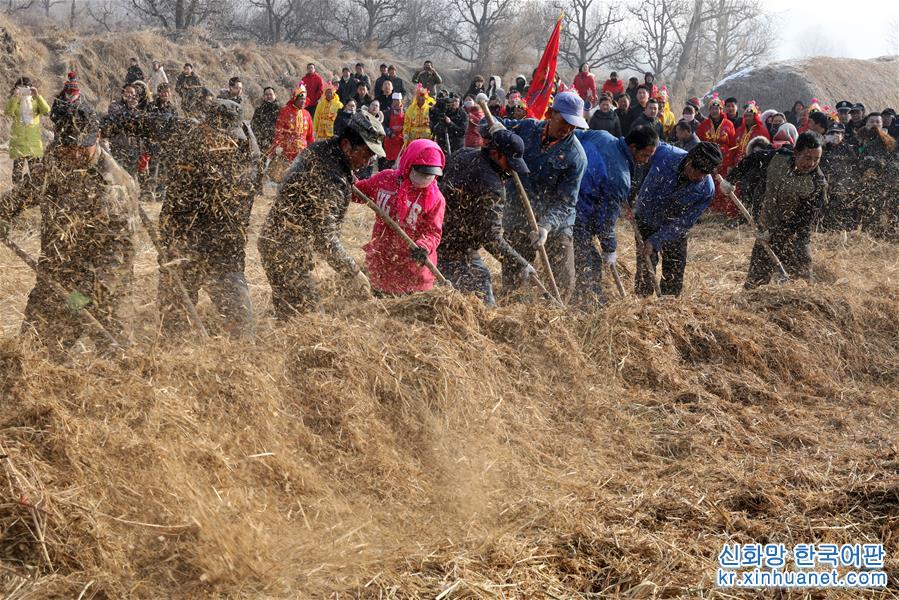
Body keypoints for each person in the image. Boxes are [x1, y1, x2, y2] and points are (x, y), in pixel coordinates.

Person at [0, 103, 138, 359]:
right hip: (55, 277)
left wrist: (85, 292)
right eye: (68, 145)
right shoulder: (57, 160)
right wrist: (3, 211)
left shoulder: (115, 183)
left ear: (97, 137)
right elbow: (26, 192)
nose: (74, 153)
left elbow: (120, 252)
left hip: (104, 291)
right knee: (31, 357)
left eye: (81, 146)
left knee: (118, 369)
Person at [258, 111, 385, 317]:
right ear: (346, 145)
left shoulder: (325, 149)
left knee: (290, 311)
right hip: (285, 250)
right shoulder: (329, 178)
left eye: (372, 157)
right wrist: (352, 272)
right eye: (365, 154)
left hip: (280, 240)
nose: (368, 162)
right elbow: (325, 240)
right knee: (312, 318)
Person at [156, 99, 261, 338]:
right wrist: (169, 248)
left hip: (225, 248)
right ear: (206, 130)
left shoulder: (246, 153)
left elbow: (239, 212)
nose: (227, 143)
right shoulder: (188, 154)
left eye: (230, 138)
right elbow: (172, 208)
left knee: (241, 325)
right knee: (172, 321)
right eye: (220, 137)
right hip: (185, 244)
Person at [494, 91, 588, 301]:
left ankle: (554, 317)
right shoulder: (527, 129)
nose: (568, 128)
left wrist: (545, 226)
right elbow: (495, 123)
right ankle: (512, 314)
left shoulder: (576, 156)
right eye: (564, 121)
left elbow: (566, 203)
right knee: (514, 276)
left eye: (574, 125)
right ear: (551, 113)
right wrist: (492, 126)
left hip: (555, 225)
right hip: (518, 215)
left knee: (563, 280)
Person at [438, 130, 535, 305]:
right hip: (458, 249)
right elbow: (491, 238)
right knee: (482, 295)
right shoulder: (492, 186)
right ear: (495, 153)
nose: (511, 168)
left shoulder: (463, 154)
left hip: (436, 234)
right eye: (509, 162)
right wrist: (521, 264)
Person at [572, 126, 660, 305]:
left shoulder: (602, 135)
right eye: (645, 155)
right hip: (576, 212)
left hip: (562, 194)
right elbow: (605, 222)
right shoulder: (620, 177)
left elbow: (573, 137)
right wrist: (609, 248)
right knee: (590, 262)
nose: (646, 160)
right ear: (633, 147)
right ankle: (590, 306)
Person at [354, 139, 446, 295]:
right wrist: (346, 181)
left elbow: (433, 233)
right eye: (421, 172)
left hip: (413, 269)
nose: (425, 178)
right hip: (383, 259)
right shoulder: (385, 179)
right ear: (408, 164)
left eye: (430, 175)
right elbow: (359, 193)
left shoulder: (436, 199)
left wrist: (423, 247)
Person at [633, 142, 722, 297]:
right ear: (689, 161)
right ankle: (642, 302)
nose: (697, 177)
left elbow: (684, 222)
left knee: (674, 267)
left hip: (673, 228)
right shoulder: (664, 154)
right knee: (645, 265)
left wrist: (656, 240)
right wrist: (630, 187)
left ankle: (669, 305)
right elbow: (636, 157)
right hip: (646, 217)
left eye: (703, 174)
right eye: (696, 171)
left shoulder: (706, 189)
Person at [745, 132, 827, 289]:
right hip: (766, 229)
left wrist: (774, 232)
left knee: (800, 286)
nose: (811, 164)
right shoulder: (779, 158)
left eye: (817, 159)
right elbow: (753, 159)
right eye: (807, 158)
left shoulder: (817, 183)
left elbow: (802, 222)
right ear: (796, 153)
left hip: (795, 238)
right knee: (755, 284)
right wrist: (731, 180)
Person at [695, 93, 736, 216]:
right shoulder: (704, 125)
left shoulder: (729, 124)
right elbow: (699, 143)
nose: (714, 111)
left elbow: (733, 144)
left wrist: (731, 163)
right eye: (712, 108)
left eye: (716, 108)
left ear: (720, 109)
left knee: (722, 184)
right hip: (708, 159)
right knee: (709, 183)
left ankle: (723, 211)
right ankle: (708, 210)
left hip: (724, 160)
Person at [5, 78, 51, 183]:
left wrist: (37, 96)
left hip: (33, 145)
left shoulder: (35, 101)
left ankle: (36, 196)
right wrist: (15, 97)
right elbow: (8, 112)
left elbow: (47, 111)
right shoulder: (14, 102)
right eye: (21, 88)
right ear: (16, 88)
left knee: (37, 176)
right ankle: (16, 196)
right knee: (17, 176)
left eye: (26, 88)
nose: (24, 91)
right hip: (18, 145)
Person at [817, 122, 858, 230]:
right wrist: (823, 143)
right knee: (825, 207)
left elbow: (854, 164)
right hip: (826, 183)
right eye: (832, 133)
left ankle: (844, 228)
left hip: (843, 184)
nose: (835, 135)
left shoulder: (848, 148)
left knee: (843, 208)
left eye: (838, 133)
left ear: (843, 135)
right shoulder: (823, 147)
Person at [723, 136, 774, 220]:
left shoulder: (766, 167)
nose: (757, 154)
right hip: (748, 190)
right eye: (755, 152)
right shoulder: (749, 164)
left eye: (759, 151)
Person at [102, 84, 144, 175]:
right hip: (118, 147)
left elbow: (140, 128)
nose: (129, 95)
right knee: (117, 174)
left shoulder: (137, 110)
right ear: (122, 93)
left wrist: (134, 110)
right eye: (127, 92)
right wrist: (128, 108)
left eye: (132, 93)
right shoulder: (114, 106)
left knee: (132, 175)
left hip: (133, 148)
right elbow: (116, 118)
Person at [270, 85, 314, 163]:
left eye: (304, 99)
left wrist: (312, 150)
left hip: (302, 153)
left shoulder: (307, 114)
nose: (303, 101)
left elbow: (310, 136)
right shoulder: (285, 111)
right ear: (295, 99)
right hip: (287, 152)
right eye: (301, 99)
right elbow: (279, 131)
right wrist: (277, 146)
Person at [728, 101, 770, 171]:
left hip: (753, 164)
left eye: (750, 116)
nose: (747, 118)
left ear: (755, 117)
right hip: (737, 164)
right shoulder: (739, 130)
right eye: (746, 116)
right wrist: (730, 164)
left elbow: (765, 150)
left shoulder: (762, 131)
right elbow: (733, 148)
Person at [251, 86, 280, 152]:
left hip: (276, 143)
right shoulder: (259, 110)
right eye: (266, 94)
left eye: (271, 94)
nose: (269, 96)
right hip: (261, 143)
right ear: (263, 96)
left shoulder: (281, 110)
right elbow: (253, 126)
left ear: (275, 95)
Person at [383, 93, 405, 168]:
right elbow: (384, 126)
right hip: (390, 141)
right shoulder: (387, 113)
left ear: (401, 101)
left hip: (401, 141)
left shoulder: (406, 112)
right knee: (389, 163)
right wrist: (390, 132)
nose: (396, 102)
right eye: (394, 100)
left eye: (398, 100)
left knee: (400, 162)